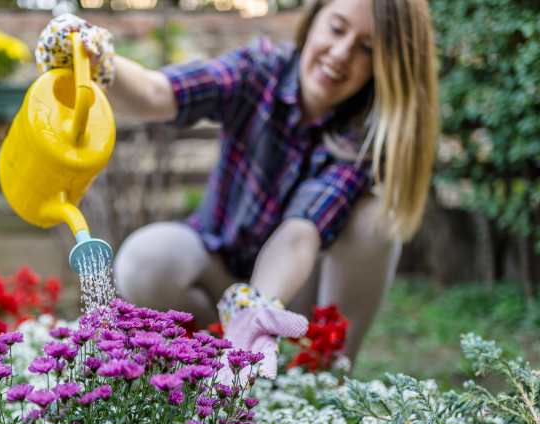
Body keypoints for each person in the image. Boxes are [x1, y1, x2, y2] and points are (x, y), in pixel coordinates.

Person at [34, 0, 439, 375]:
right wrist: (95, 56)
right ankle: (204, 368)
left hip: (293, 302)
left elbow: (301, 232)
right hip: (217, 268)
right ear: (313, 19)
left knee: (375, 220)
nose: (341, 54)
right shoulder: (259, 70)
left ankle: (326, 374)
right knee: (146, 256)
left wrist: (257, 309)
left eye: (367, 48)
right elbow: (158, 94)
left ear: (385, 66)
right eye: (336, 29)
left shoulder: (364, 136)